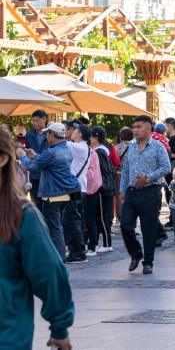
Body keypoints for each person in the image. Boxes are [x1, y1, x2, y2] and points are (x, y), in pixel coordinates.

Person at [0, 128, 75, 350]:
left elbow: (49, 273)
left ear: (2, 158)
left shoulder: (21, 215)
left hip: (7, 334)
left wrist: (59, 326)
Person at [17, 122, 84, 264]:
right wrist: (36, 155)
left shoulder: (52, 152)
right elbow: (48, 162)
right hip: (65, 195)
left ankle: (59, 260)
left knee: (55, 229)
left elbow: (30, 166)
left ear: (52, 135)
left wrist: (22, 155)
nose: (46, 136)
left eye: (47, 133)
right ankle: (57, 257)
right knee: (58, 227)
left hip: (52, 195)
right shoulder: (66, 149)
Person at [118, 115, 172, 274]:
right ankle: (135, 253)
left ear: (148, 129)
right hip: (132, 192)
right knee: (125, 225)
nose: (135, 130)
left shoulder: (158, 146)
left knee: (148, 229)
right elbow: (126, 170)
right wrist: (122, 190)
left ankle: (148, 262)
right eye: (134, 127)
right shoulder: (132, 147)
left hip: (150, 192)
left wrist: (147, 178)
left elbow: (166, 167)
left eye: (139, 127)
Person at [90, 127, 116, 254]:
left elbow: (101, 171)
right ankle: (106, 243)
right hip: (107, 187)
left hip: (103, 188)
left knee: (102, 216)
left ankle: (107, 243)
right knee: (103, 216)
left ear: (95, 138)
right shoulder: (103, 151)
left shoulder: (98, 152)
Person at [24, 110, 48, 214]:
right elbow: (29, 153)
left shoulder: (50, 133)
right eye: (33, 121)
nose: (34, 123)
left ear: (44, 120)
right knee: (35, 202)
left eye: (37, 121)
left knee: (46, 203)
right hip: (34, 172)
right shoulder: (29, 134)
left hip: (47, 172)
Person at [114, 127, 134, 232]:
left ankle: (122, 222)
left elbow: (115, 163)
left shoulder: (117, 147)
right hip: (132, 176)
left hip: (119, 175)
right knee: (132, 198)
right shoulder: (135, 147)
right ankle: (134, 223)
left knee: (119, 198)